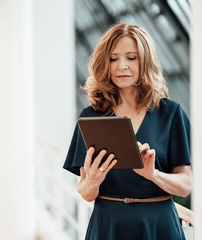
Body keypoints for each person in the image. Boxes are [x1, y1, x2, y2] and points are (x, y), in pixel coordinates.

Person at [63, 23, 192, 240]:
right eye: (113, 58)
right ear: (105, 63)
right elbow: (85, 193)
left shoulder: (171, 113)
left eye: (131, 58)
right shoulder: (91, 116)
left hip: (159, 227)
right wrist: (93, 181)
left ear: (145, 61)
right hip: (108, 226)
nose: (122, 66)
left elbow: (185, 186)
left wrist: (154, 175)